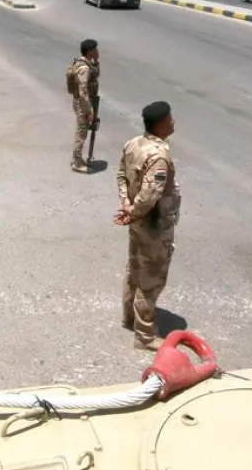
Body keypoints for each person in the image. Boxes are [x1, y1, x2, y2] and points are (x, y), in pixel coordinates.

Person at [114, 101, 181, 351]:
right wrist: (132, 211)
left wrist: (125, 205)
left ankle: (129, 317)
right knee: (151, 278)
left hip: (138, 221)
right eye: (171, 118)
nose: (174, 122)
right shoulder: (159, 156)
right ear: (162, 123)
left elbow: (121, 175)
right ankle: (144, 334)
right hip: (154, 224)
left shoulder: (133, 144)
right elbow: (151, 194)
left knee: (134, 268)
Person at [69, 38, 100, 172]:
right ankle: (77, 161)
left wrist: (96, 61)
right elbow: (83, 92)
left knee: (83, 131)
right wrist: (89, 111)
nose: (97, 52)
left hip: (83, 102)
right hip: (83, 104)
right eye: (95, 50)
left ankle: (77, 158)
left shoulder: (84, 63)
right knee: (81, 132)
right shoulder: (84, 68)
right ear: (89, 51)